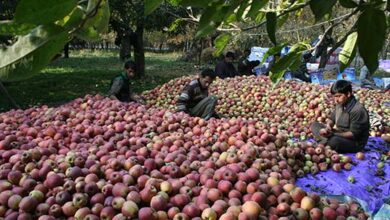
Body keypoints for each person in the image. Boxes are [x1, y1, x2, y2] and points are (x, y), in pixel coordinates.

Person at [310, 80, 370, 153]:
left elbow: (353, 134)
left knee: (334, 141)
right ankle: (326, 141)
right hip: (339, 133)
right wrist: (328, 127)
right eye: (334, 97)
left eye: (338, 96)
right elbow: (331, 119)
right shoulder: (340, 104)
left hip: (354, 142)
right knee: (315, 125)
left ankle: (324, 141)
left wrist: (333, 134)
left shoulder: (357, 110)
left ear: (348, 94)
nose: (336, 100)